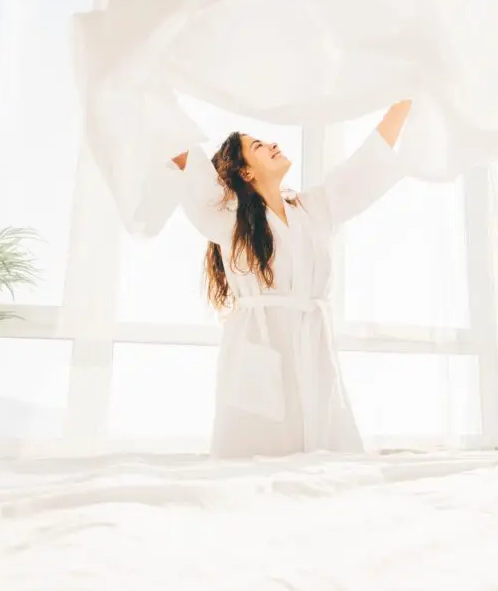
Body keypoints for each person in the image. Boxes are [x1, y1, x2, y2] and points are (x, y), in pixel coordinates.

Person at [170, 100, 413, 458]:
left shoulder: (313, 209)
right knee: (256, 459)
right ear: (246, 173)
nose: (272, 145)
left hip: (314, 347)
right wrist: (146, 82)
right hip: (259, 348)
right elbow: (181, 150)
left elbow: (364, 168)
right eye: (258, 147)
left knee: (327, 457)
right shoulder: (227, 217)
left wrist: (405, 102)